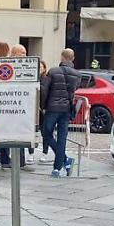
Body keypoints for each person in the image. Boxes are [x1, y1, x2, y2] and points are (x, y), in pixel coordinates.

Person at [40, 48, 82, 178]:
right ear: (73, 58)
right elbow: (75, 90)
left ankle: (64, 160)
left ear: (62, 57)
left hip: (52, 108)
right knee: (62, 138)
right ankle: (57, 168)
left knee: (46, 133)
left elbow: (44, 90)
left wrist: (43, 106)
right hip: (67, 109)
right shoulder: (77, 74)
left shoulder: (53, 71)